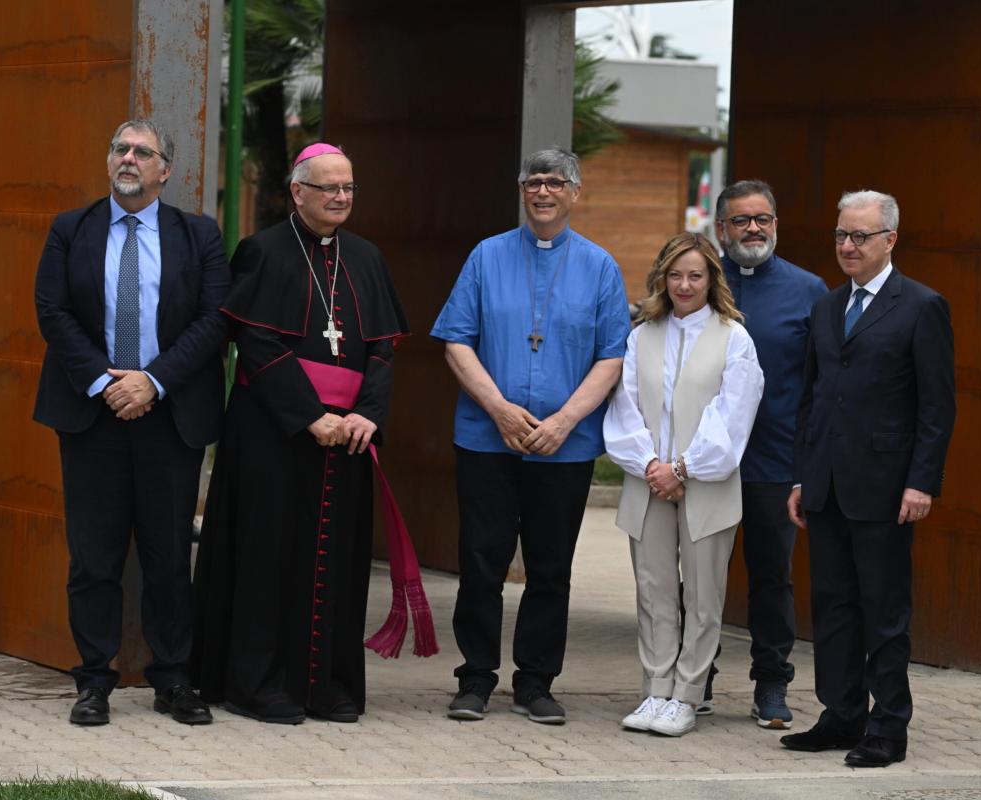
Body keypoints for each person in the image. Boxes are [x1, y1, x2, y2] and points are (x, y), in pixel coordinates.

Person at [192, 143, 431, 726]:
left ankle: (327, 687)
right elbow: (256, 343)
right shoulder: (263, 250)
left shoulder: (368, 258)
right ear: (298, 192)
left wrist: (365, 416)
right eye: (329, 188)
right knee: (269, 557)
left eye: (348, 188)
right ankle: (258, 684)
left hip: (346, 440)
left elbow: (381, 350)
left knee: (338, 564)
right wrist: (309, 416)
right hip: (275, 436)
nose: (341, 197)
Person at [33, 119, 229, 726]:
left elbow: (214, 318)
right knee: (94, 558)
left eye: (143, 152)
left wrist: (152, 381)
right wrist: (107, 381)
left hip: (168, 417)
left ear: (165, 170)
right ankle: (94, 681)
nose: (129, 158)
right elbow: (52, 310)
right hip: (91, 414)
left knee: (169, 555)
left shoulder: (198, 235)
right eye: (120, 148)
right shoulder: (72, 229)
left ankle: (173, 680)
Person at [431, 147, 631, 724]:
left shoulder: (599, 267)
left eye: (555, 182)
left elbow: (612, 355)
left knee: (550, 568)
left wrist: (566, 421)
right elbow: (456, 341)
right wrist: (498, 408)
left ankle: (536, 681)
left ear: (574, 192)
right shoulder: (486, 257)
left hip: (563, 447)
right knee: (481, 562)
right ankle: (474, 678)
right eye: (533, 182)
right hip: (487, 439)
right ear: (523, 191)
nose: (543, 192)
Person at [781, 190, 955, 767]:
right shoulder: (827, 306)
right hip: (826, 485)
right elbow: (812, 399)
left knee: (883, 611)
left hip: (886, 488)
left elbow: (936, 407)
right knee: (831, 608)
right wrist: (804, 477)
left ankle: (888, 726)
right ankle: (841, 714)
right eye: (840, 236)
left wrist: (921, 482)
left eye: (859, 236)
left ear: (890, 240)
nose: (848, 246)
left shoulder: (921, 306)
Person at [604, 233, 763, 737]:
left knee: (702, 595)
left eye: (695, 275)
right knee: (653, 592)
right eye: (675, 275)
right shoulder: (640, 335)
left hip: (706, 483)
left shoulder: (733, 337)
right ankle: (655, 690)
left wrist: (685, 468)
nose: (685, 285)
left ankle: (687, 695)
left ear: (712, 278)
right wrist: (652, 464)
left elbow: (733, 415)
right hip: (647, 480)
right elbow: (623, 407)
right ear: (662, 278)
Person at [715, 179, 827, 729]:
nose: (752, 228)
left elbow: (822, 385)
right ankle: (695, 679)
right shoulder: (697, 284)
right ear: (721, 229)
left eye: (762, 219)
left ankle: (772, 685)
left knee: (771, 578)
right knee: (700, 575)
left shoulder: (810, 291)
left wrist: (809, 466)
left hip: (775, 463)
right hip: (706, 462)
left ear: (776, 226)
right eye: (741, 220)